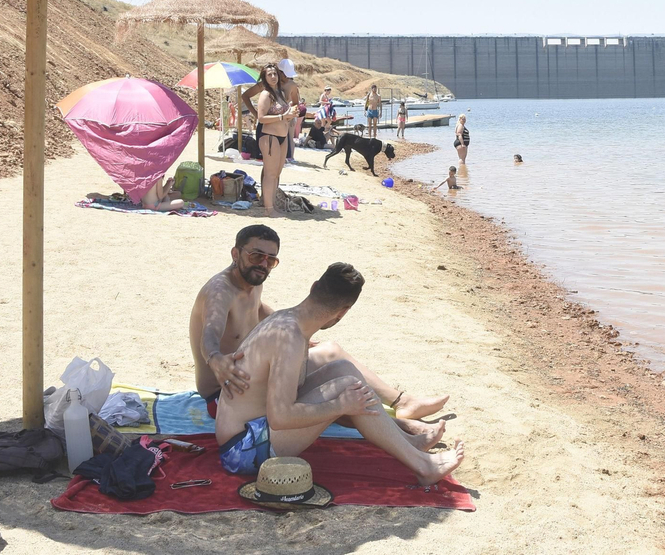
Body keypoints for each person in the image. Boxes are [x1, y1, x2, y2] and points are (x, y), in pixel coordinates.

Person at [213, 262, 465, 485]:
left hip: (252, 431)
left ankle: (409, 444)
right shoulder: (288, 339)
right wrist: (339, 405)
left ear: (313, 287)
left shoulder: (287, 321)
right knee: (347, 389)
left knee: (342, 370)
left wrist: (342, 402)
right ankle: (424, 467)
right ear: (342, 312)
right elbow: (280, 417)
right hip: (242, 450)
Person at [190, 229, 451, 437]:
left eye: (271, 259)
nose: (263, 264)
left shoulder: (251, 281)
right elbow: (210, 332)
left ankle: (401, 402)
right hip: (226, 391)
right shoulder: (220, 290)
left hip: (252, 375)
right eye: (256, 256)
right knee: (331, 395)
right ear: (236, 253)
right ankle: (405, 428)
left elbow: (259, 311)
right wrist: (215, 358)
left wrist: (297, 335)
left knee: (331, 352)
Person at [252, 64, 299, 215]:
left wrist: (291, 113)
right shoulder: (266, 94)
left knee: (276, 173)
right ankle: (268, 209)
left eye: (275, 74)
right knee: (270, 174)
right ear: (265, 78)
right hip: (269, 136)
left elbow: (286, 111)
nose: (273, 77)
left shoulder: (279, 93)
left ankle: (271, 205)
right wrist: (282, 116)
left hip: (282, 136)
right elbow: (261, 117)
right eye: (269, 74)